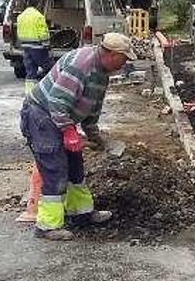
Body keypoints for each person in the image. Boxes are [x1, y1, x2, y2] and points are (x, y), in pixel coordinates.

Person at [19, 33, 137, 241]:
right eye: (123, 57)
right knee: (55, 168)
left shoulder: (102, 72)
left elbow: (92, 108)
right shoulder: (81, 64)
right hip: (41, 115)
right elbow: (56, 101)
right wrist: (68, 131)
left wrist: (94, 135)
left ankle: (80, 213)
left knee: (75, 165)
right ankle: (47, 226)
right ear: (110, 53)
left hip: (58, 115)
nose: (126, 62)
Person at [16, 0, 50, 94]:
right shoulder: (38, 16)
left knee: (30, 72)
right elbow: (43, 34)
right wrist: (47, 45)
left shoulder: (21, 16)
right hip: (38, 48)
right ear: (38, 4)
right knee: (49, 68)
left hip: (26, 47)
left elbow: (19, 32)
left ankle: (29, 93)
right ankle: (47, 91)